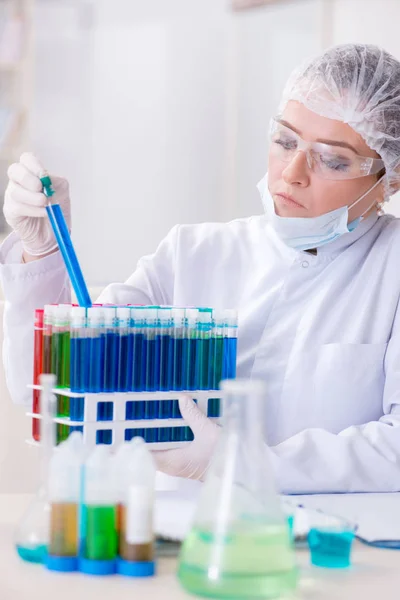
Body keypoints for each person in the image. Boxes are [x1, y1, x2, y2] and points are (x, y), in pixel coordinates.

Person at [2, 43, 400, 494]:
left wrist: (245, 464)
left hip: (334, 551)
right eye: (285, 141)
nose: (292, 172)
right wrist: (42, 254)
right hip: (173, 539)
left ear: (391, 177)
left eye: (332, 160)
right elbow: (54, 388)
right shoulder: (192, 253)